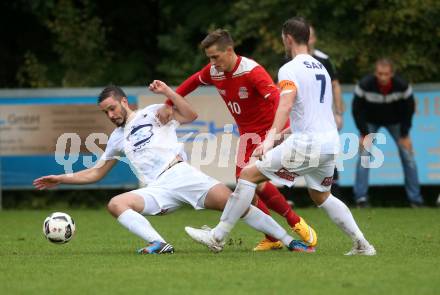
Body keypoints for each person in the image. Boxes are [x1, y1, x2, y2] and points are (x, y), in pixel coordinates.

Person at [33, 82, 310, 254]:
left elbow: (191, 115)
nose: (110, 115)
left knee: (238, 203)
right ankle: (159, 243)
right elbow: (95, 173)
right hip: (156, 189)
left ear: (123, 101)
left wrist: (167, 92)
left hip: (180, 174)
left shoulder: (152, 113)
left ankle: (289, 241)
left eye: (112, 108)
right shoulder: (117, 138)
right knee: (116, 204)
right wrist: (62, 177)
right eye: (105, 112)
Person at [185, 17, 376, 256]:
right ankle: (362, 244)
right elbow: (314, 112)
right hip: (329, 143)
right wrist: (284, 133)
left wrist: (268, 139)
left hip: (306, 143)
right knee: (321, 195)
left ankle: (217, 236)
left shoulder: (289, 68)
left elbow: (285, 104)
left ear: (287, 38)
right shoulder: (321, 68)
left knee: (247, 175)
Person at [159, 29, 317, 251]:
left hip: (266, 133)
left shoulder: (253, 72)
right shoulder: (215, 71)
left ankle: (295, 222)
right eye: (209, 58)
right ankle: (272, 238)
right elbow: (193, 81)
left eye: (216, 57)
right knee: (247, 189)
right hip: (247, 136)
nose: (213, 63)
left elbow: (278, 102)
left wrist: (284, 132)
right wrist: (168, 103)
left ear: (230, 50)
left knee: (252, 185)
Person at [352, 58, 425, 208]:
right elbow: (357, 110)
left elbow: (409, 110)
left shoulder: (402, 86)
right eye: (380, 74)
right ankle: (361, 199)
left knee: (408, 156)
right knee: (364, 156)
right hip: (371, 122)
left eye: (386, 74)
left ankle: (416, 200)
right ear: (375, 73)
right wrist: (364, 133)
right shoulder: (365, 85)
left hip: (396, 122)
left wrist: (405, 135)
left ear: (391, 74)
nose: (383, 77)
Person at [308, 25, 345, 197]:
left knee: (328, 153)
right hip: (300, 118)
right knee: (292, 154)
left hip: (323, 118)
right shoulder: (287, 60)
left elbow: (335, 85)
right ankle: (290, 197)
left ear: (314, 39)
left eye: (309, 36)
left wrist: (338, 112)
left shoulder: (324, 59)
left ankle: (333, 193)